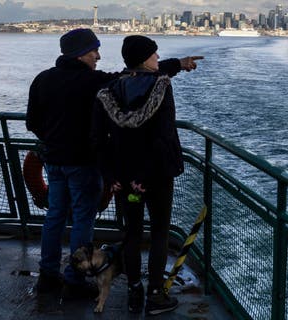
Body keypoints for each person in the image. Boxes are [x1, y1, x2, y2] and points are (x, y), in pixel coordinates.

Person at [26, 28, 202, 304]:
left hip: (54, 161)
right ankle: (75, 279)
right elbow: (137, 75)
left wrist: (53, 141)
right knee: (83, 218)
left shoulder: (42, 80)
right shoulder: (94, 82)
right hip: (83, 163)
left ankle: (48, 276)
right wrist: (177, 64)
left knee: (55, 216)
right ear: (82, 54)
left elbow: (32, 122)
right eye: (94, 50)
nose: (98, 55)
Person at [91, 35, 202, 316]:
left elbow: (98, 139)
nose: (157, 59)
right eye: (154, 54)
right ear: (144, 59)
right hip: (154, 176)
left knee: (132, 233)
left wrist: (111, 175)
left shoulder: (109, 91)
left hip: (124, 179)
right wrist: (145, 176)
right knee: (160, 232)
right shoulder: (160, 88)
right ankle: (155, 295)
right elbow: (162, 138)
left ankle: (134, 290)